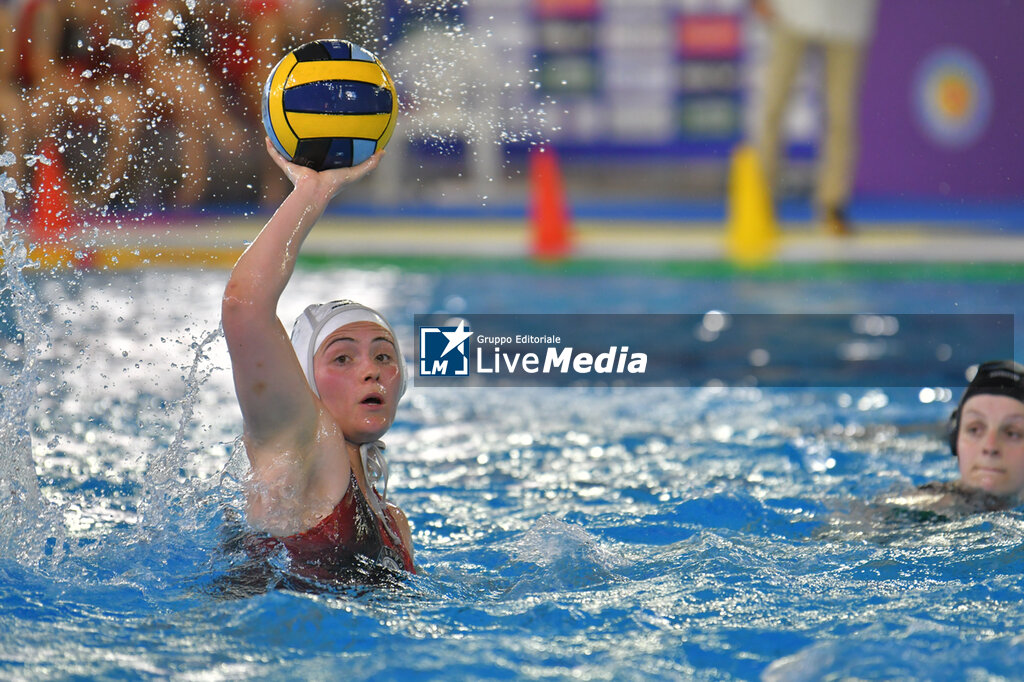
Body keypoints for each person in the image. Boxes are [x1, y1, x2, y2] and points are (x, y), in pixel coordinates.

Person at [221, 140, 415, 585]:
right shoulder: (303, 442)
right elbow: (244, 307)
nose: (371, 371)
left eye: (384, 356)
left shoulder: (394, 524)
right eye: (342, 357)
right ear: (304, 382)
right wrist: (310, 192)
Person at [752, 0, 878, 235]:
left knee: (841, 114)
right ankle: (762, 200)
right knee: (773, 105)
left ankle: (832, 204)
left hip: (848, 19)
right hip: (793, 10)